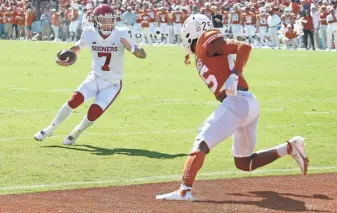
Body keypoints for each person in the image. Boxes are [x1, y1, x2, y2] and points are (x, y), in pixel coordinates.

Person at [156, 14, 308, 201]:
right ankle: (290, 148)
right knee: (244, 162)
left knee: (201, 142)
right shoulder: (204, 49)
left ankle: (184, 191)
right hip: (247, 103)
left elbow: (244, 47)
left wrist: (235, 74)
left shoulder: (207, 40)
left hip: (236, 103)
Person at [34, 4, 146, 145]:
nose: (108, 23)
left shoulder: (122, 32)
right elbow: (77, 48)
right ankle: (51, 128)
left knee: (94, 112)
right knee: (74, 100)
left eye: (110, 20)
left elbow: (143, 55)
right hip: (95, 77)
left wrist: (133, 49)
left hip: (113, 83)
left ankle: (76, 132)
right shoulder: (89, 32)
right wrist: (64, 57)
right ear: (95, 20)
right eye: (104, 20)